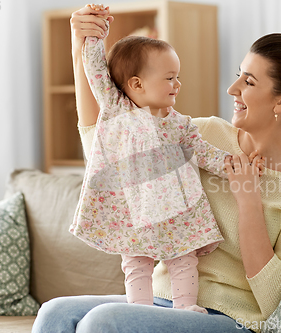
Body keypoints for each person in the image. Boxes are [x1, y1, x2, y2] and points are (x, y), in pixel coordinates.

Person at [32, 3, 281, 333]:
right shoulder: (205, 132)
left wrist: (249, 201)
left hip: (231, 319)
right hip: (159, 301)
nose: (232, 89)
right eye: (238, 74)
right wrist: (80, 43)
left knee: (102, 322)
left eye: (249, 82)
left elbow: (279, 301)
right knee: (55, 312)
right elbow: (108, 141)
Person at [68, 3, 264, 316]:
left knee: (185, 258)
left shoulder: (179, 123)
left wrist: (237, 165)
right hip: (133, 209)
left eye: (178, 77)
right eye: (170, 78)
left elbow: (205, 153)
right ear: (136, 84)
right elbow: (95, 68)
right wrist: (95, 34)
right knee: (136, 262)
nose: (178, 84)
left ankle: (186, 309)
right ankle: (140, 313)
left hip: (176, 208)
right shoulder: (116, 108)